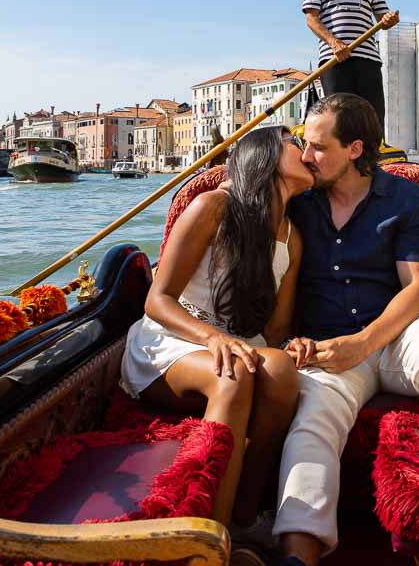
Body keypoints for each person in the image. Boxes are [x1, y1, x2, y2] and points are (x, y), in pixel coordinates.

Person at [273, 94, 419, 565]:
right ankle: (298, 551)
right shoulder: (300, 200)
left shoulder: (407, 200)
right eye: (304, 146)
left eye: (317, 147)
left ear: (354, 148)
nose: (306, 157)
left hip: (398, 338)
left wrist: (363, 344)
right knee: (313, 418)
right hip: (328, 345)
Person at [120, 126, 312, 538]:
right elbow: (159, 299)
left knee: (280, 373)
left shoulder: (292, 239)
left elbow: (274, 331)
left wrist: (292, 346)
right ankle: (208, 536)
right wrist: (212, 337)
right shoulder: (213, 207)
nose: (305, 150)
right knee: (234, 372)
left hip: (238, 344)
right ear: (265, 156)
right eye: (295, 143)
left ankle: (244, 514)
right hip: (173, 342)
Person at [302, 0, 400, 131]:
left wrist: (389, 20)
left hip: (368, 59)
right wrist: (333, 42)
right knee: (338, 118)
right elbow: (311, 18)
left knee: (372, 117)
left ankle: (373, 161)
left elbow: (382, 16)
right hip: (333, 60)